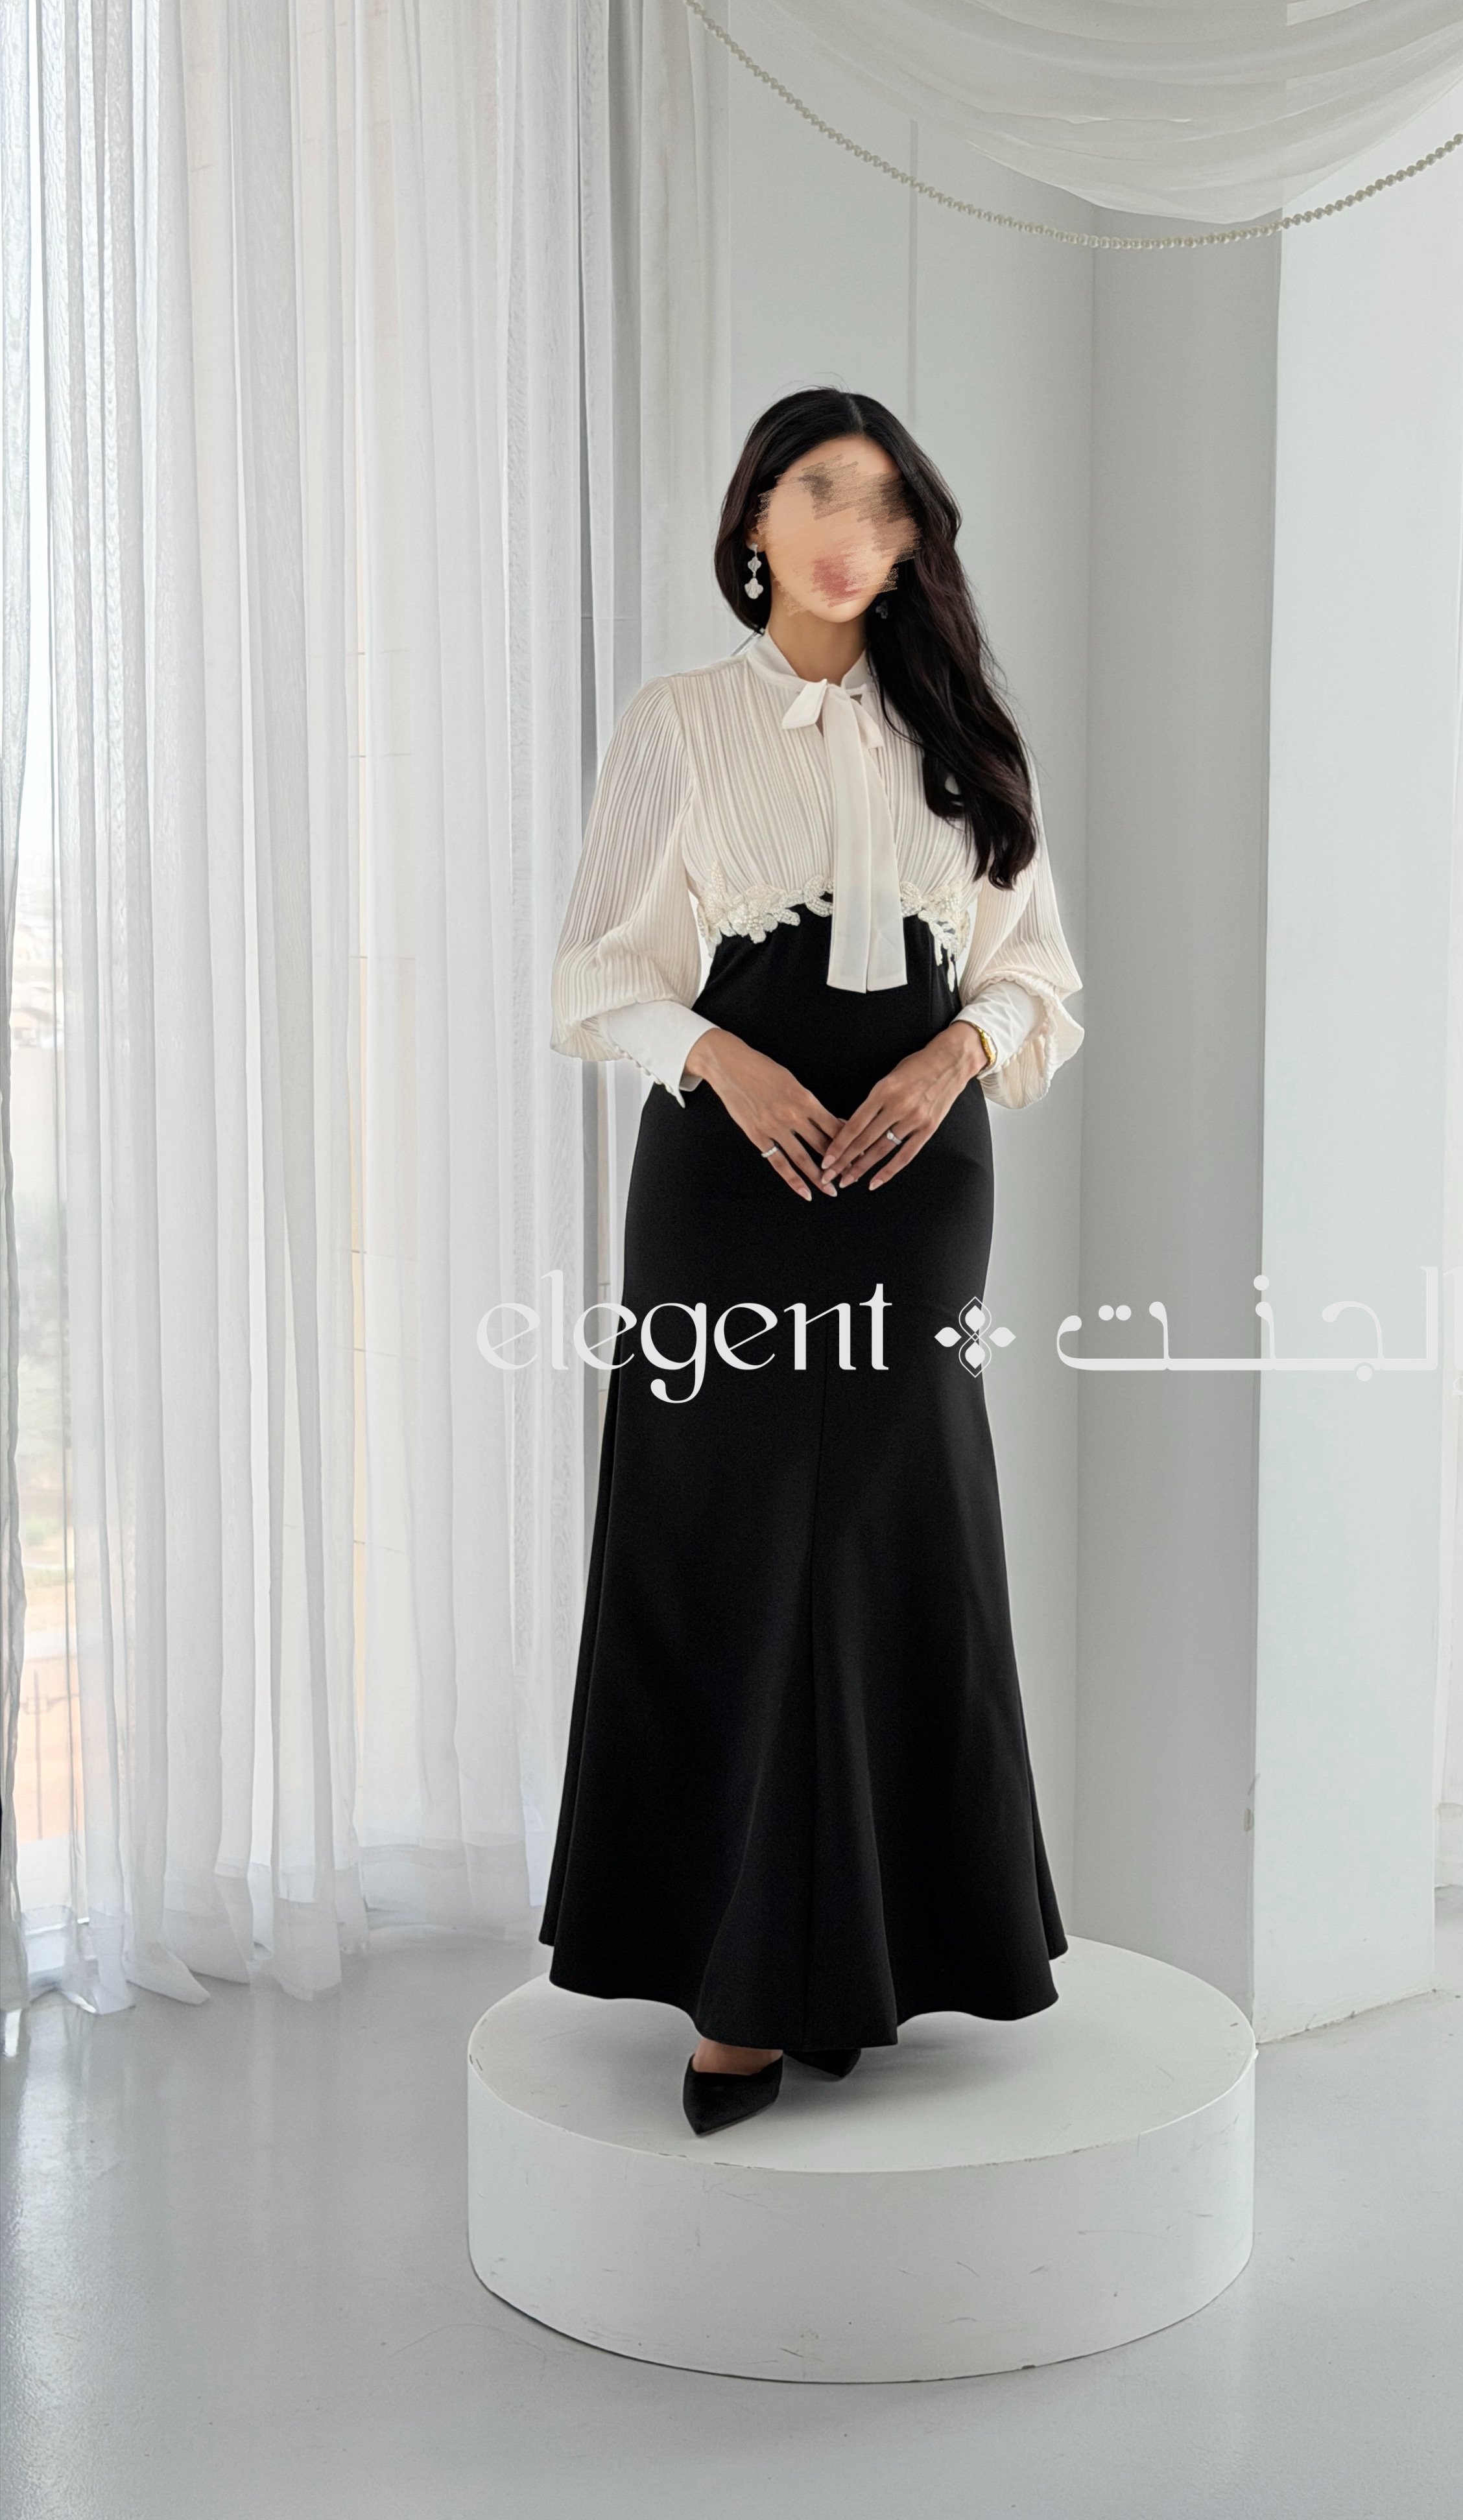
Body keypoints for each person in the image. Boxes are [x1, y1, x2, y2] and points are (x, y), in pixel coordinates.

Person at [540, 386, 1085, 2136]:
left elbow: (1038, 971)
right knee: (724, 1535)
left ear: (917, 546)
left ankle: (876, 1954)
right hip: (728, 1171)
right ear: (755, 516)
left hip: (919, 1174)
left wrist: (955, 1057)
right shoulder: (679, 721)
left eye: (892, 508)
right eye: (824, 491)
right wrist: (721, 1060)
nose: (860, 531)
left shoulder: (961, 733)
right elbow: (598, 972)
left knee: (887, 1536)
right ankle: (735, 1979)